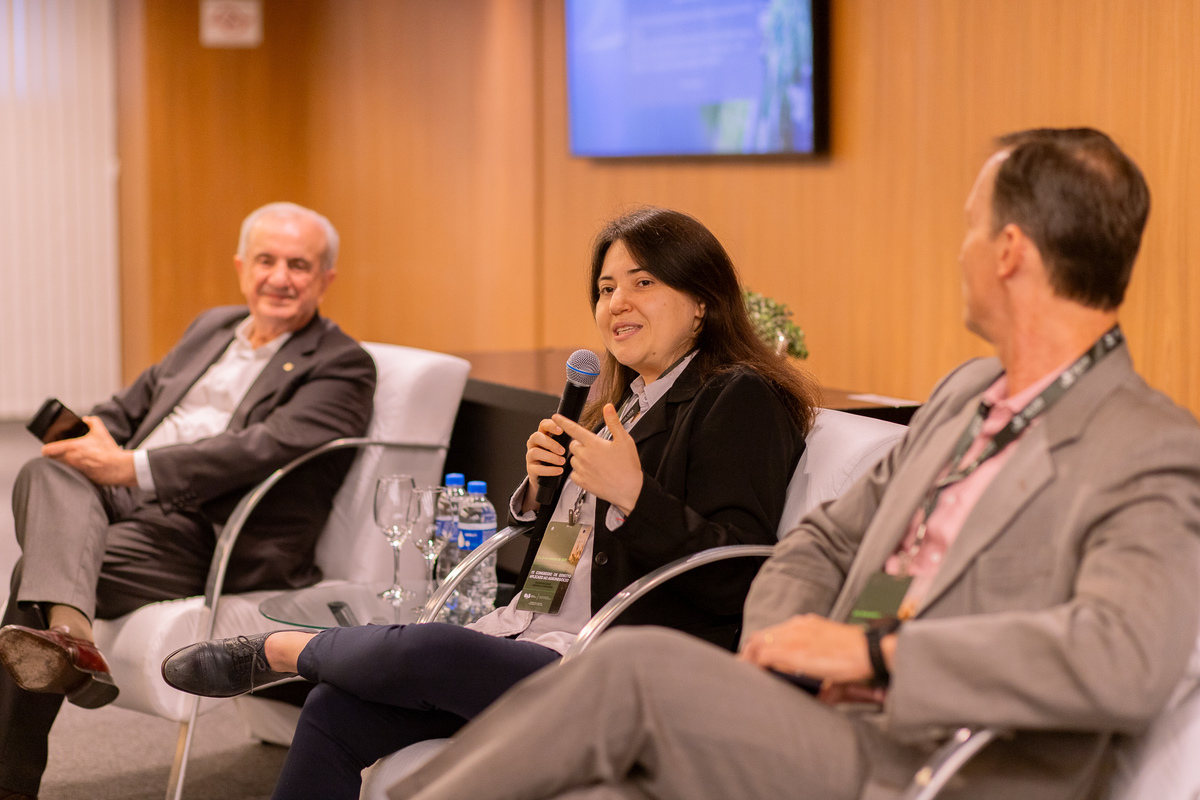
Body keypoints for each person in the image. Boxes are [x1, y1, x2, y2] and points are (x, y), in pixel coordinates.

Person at [384, 128, 1200, 800]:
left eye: (971, 228)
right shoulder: (967, 394)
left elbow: (1123, 659)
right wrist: (784, 645)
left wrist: (876, 656)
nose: (962, 252)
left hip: (940, 763)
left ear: (1010, 251)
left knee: (633, 670)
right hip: (826, 722)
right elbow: (825, 541)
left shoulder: (1148, 446)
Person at [162, 207, 818, 800]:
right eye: (605, 288)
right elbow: (565, 565)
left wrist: (631, 494)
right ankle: (308, 658)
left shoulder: (738, 396)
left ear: (701, 301)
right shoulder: (623, 403)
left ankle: (284, 652)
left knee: (430, 651)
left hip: (619, 672)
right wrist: (540, 495)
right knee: (333, 711)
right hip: (538, 632)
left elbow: (737, 571)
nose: (617, 302)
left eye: (642, 282)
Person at [0, 202, 376, 799]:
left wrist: (130, 467)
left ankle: (17, 768)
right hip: (131, 502)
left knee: (34, 574)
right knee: (47, 471)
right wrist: (94, 436)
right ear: (242, 267)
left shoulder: (343, 365)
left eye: (299, 265)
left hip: (214, 531)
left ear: (325, 278)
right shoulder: (213, 327)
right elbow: (133, 404)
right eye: (266, 261)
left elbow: (258, 449)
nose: (279, 277)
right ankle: (74, 642)